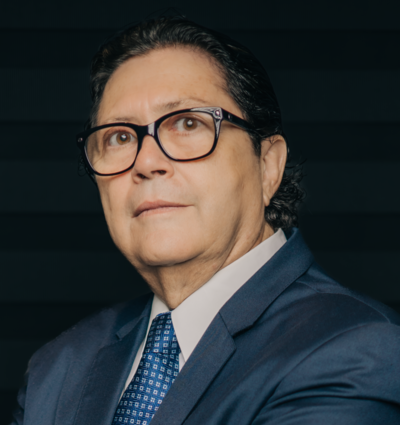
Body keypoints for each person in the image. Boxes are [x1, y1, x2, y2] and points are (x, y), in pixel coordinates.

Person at [11, 16, 400, 425]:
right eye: (120, 137)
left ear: (268, 165)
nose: (146, 162)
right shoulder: (55, 372)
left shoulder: (355, 349)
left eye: (187, 123)